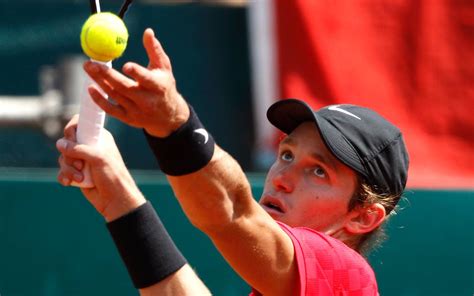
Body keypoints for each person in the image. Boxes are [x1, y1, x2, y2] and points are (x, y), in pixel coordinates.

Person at [57, 28, 409, 295]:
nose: (282, 178)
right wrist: (117, 194)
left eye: (319, 171)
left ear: (364, 216)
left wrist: (175, 125)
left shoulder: (346, 275)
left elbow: (233, 214)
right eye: (286, 154)